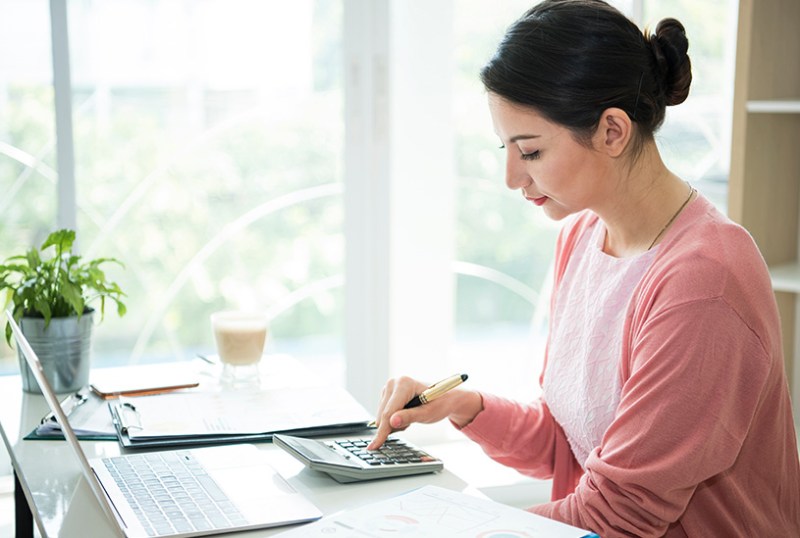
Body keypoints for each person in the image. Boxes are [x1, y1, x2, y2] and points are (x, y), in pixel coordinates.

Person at [368, 1, 800, 536]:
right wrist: (465, 405)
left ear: (613, 132)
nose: (510, 177)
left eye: (529, 152)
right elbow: (570, 441)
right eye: (505, 147)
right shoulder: (582, 236)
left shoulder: (704, 280)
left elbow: (618, 512)